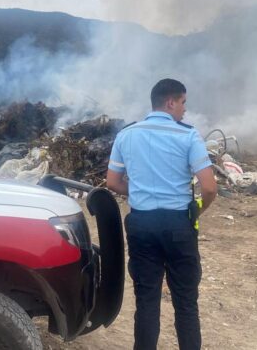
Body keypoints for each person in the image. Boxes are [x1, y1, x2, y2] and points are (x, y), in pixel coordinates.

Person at [106, 78, 217, 350]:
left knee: (146, 301)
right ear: (170, 102)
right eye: (182, 103)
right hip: (179, 224)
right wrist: (197, 211)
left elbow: (112, 182)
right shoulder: (188, 135)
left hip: (142, 225)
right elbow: (209, 187)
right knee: (186, 302)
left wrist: (138, 194)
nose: (184, 110)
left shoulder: (127, 134)